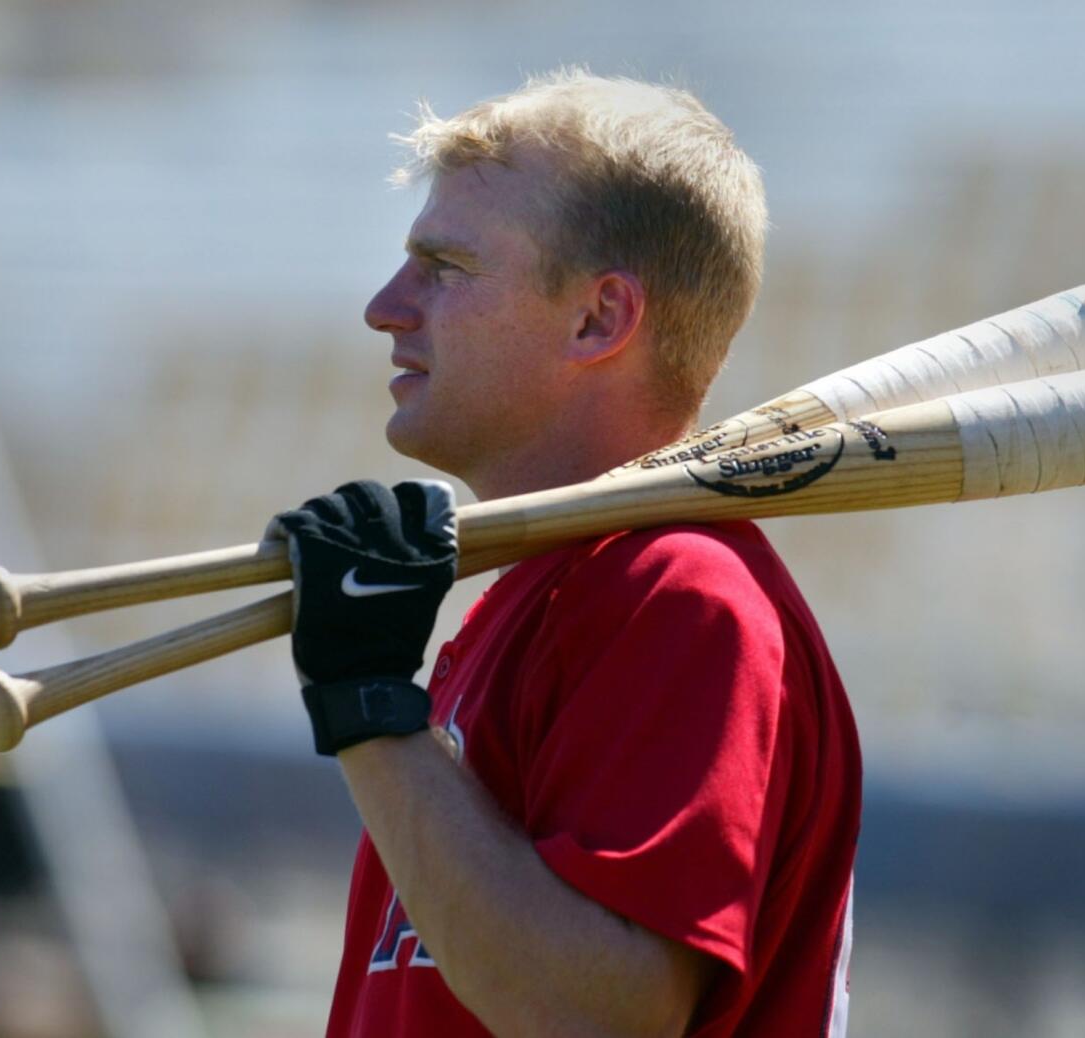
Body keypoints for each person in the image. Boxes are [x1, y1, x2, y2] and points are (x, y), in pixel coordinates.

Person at [266, 70, 863, 1037]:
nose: (385, 306)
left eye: (445, 266)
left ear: (599, 319)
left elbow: (600, 1017)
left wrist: (369, 707)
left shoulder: (681, 595)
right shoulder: (552, 596)